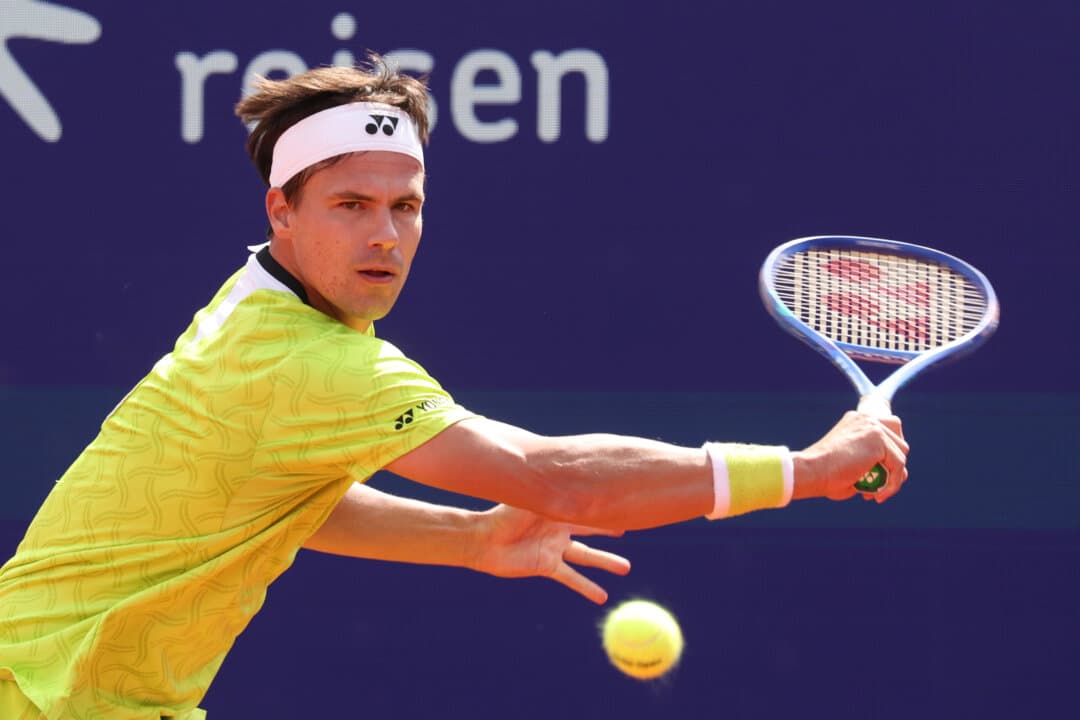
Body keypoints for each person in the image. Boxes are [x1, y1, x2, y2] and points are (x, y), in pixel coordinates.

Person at [0, 53, 909, 719]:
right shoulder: (311, 361)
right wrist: (807, 469)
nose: (385, 237)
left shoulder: (252, 302)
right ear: (281, 209)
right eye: (350, 207)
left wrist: (470, 540)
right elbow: (564, 481)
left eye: (405, 206)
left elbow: (277, 496)